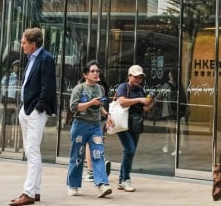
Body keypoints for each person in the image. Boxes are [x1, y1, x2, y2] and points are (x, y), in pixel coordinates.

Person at [11, 27, 57, 206]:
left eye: (24, 43)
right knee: (31, 150)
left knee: (32, 151)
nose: (21, 45)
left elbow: (48, 86)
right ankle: (35, 190)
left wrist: (38, 108)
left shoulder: (46, 58)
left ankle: (28, 193)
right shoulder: (32, 58)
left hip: (35, 111)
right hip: (27, 108)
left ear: (33, 44)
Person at [67, 61, 112, 198]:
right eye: (92, 71)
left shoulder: (100, 88)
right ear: (85, 74)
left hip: (95, 126)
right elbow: (74, 107)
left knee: (98, 154)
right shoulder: (79, 88)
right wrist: (90, 103)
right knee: (77, 156)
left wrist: (107, 115)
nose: (96, 73)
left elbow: (99, 106)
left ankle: (102, 184)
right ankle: (73, 185)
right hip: (80, 125)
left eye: (97, 71)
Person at [112, 64, 155, 192]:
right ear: (129, 76)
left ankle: (121, 180)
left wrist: (149, 102)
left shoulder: (141, 90)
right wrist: (139, 100)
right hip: (122, 123)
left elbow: (145, 108)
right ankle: (125, 179)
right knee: (129, 150)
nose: (138, 80)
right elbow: (121, 102)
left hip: (135, 124)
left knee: (130, 152)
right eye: (135, 77)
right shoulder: (123, 87)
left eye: (140, 77)